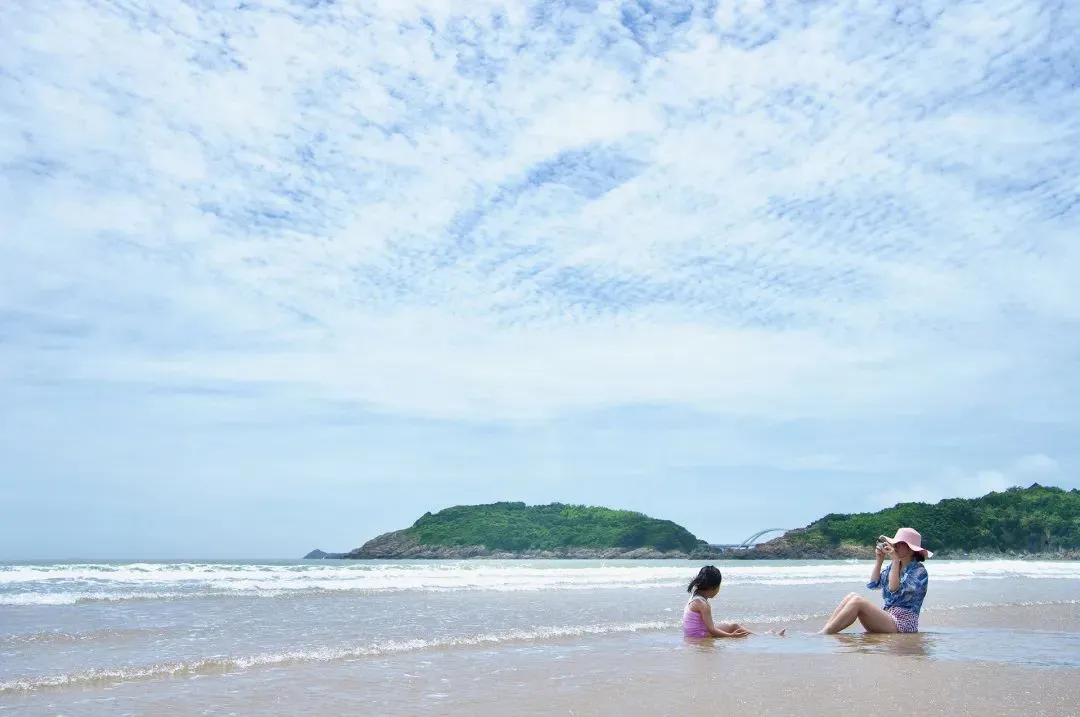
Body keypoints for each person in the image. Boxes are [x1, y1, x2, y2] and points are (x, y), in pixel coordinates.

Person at [818, 527, 932, 635]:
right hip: (889, 617)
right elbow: (874, 584)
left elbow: (893, 588)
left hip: (904, 624)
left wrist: (895, 559)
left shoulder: (919, 571)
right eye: (895, 543)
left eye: (900, 543)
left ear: (911, 549)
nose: (895, 546)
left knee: (857, 601)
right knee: (852, 596)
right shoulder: (894, 566)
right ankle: (825, 630)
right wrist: (879, 560)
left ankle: (825, 634)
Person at [683, 565, 785, 638]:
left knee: (732, 625)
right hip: (700, 635)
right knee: (735, 627)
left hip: (692, 633)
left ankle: (762, 636)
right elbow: (712, 630)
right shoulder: (703, 604)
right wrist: (731, 636)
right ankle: (762, 637)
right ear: (713, 588)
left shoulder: (695, 596)